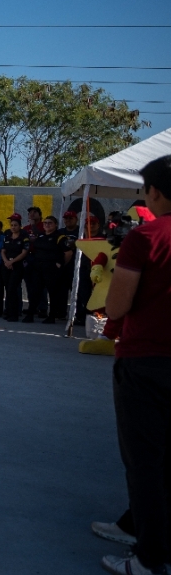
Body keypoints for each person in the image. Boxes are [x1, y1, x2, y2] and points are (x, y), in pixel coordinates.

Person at [98, 155, 171, 575]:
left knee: (145, 461)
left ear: (155, 192)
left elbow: (117, 305)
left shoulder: (146, 237)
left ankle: (149, 557)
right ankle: (144, 531)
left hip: (147, 361)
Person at [24, 215, 67, 325]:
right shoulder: (41, 236)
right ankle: (30, 314)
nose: (47, 225)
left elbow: (68, 252)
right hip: (38, 268)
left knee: (53, 293)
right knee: (35, 292)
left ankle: (52, 316)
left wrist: (60, 264)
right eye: (45, 223)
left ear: (56, 225)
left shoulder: (60, 237)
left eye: (50, 223)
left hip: (51, 269)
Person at [1, 214, 30, 322]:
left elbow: (24, 252)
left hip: (17, 266)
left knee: (13, 289)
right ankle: (8, 312)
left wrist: (12, 262)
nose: (13, 227)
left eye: (15, 225)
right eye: (12, 225)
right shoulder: (7, 236)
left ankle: (15, 314)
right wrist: (6, 261)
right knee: (8, 289)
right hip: (7, 266)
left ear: (20, 226)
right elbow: (3, 251)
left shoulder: (24, 237)